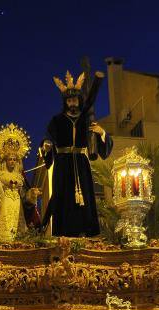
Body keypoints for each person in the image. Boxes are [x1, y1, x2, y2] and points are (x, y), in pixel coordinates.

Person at [40, 70, 113, 237]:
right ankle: (63, 233)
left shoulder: (85, 119)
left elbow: (101, 145)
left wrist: (101, 132)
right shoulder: (57, 120)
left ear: (80, 101)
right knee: (61, 195)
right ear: (66, 102)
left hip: (81, 163)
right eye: (69, 100)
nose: (73, 103)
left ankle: (85, 232)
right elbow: (48, 137)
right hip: (63, 162)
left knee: (85, 195)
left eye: (75, 100)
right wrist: (46, 146)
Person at [0, 123, 40, 242]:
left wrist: (32, 194)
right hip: (5, 201)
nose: (12, 162)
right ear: (5, 160)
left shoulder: (20, 176)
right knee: (6, 224)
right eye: (10, 159)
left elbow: (24, 194)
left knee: (18, 224)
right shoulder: (0, 174)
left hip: (17, 203)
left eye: (14, 159)